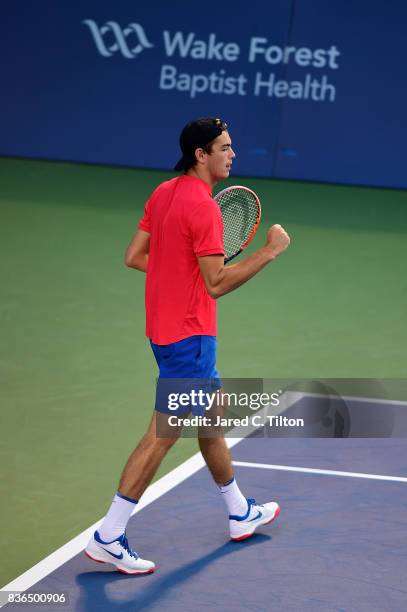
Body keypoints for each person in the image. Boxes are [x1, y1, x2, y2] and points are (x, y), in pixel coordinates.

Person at [85, 117, 290, 574]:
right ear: (201, 154)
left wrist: (178, 276)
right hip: (190, 336)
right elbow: (216, 283)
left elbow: (136, 256)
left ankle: (239, 512)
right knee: (164, 432)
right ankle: (108, 534)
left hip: (162, 330)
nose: (232, 154)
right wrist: (270, 250)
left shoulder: (163, 193)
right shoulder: (204, 210)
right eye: (224, 147)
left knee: (211, 418)